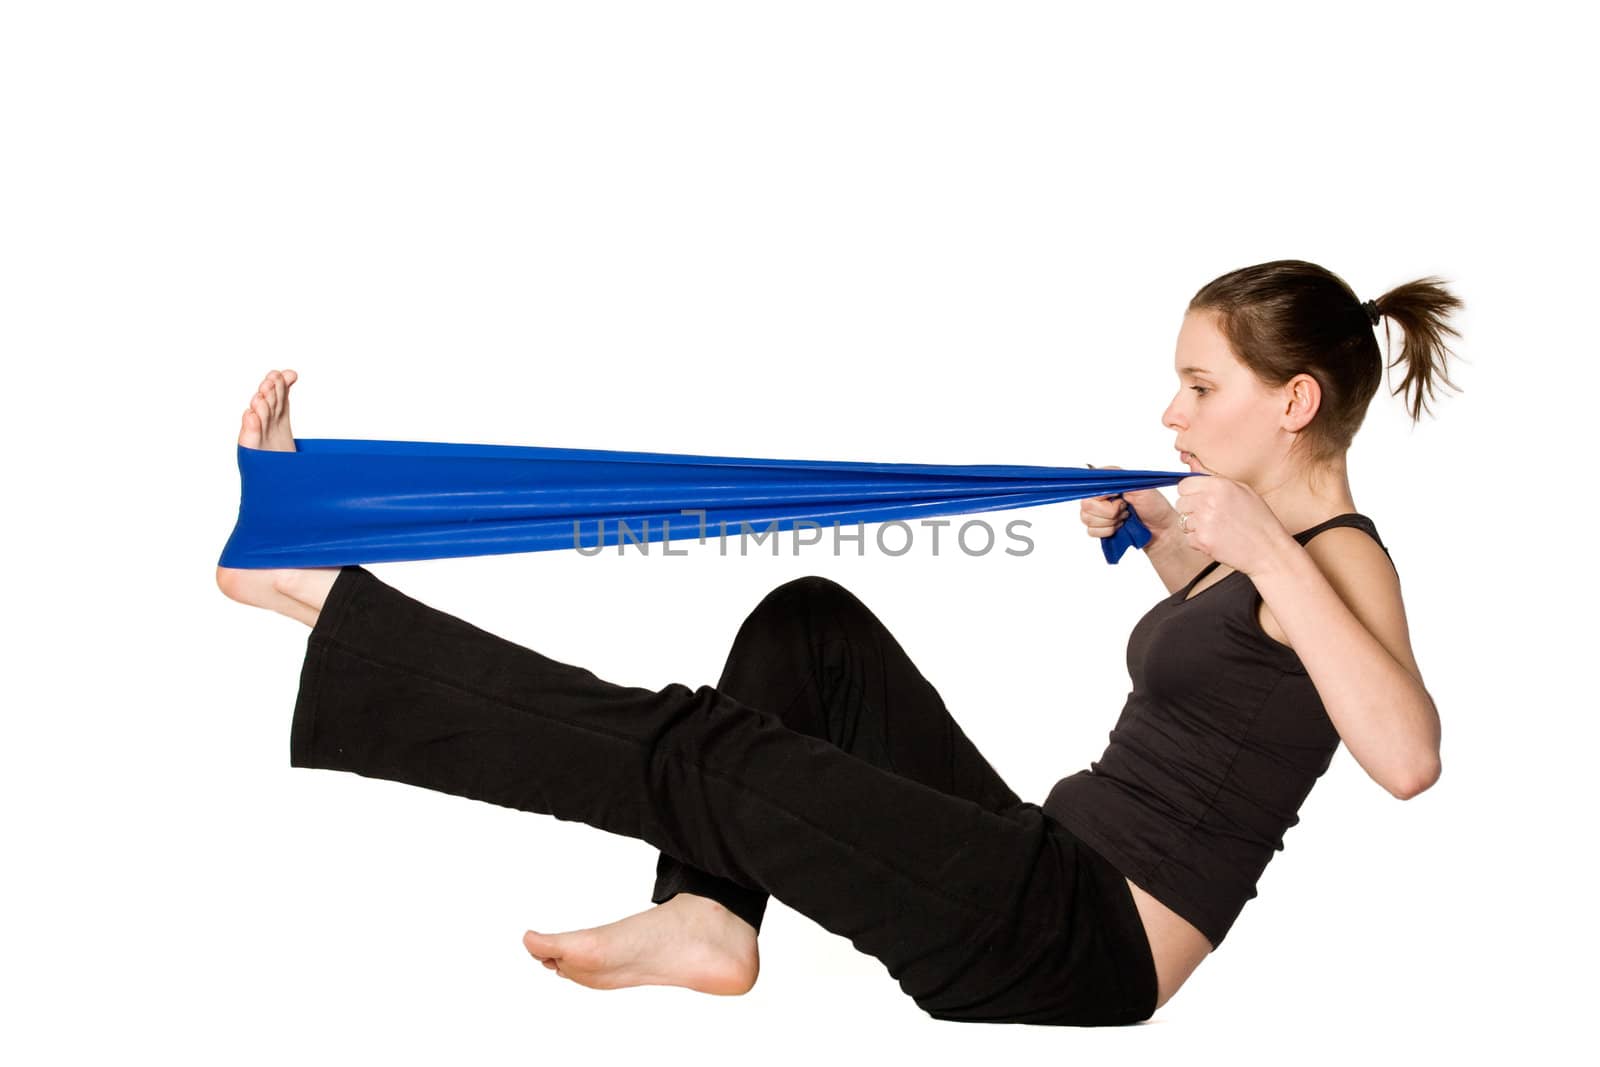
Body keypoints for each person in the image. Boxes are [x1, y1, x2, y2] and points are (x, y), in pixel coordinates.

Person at [216, 258, 1457, 1025]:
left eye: (1201, 387)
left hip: (1086, 938)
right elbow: (1247, 676)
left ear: (1292, 403)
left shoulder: (1340, 556)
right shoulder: (1269, 561)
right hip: (1047, 859)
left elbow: (1404, 756)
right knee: (811, 630)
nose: (1169, 412)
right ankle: (712, 913)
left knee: (698, 751)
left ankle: (311, 588)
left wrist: (1263, 544)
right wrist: (1162, 542)